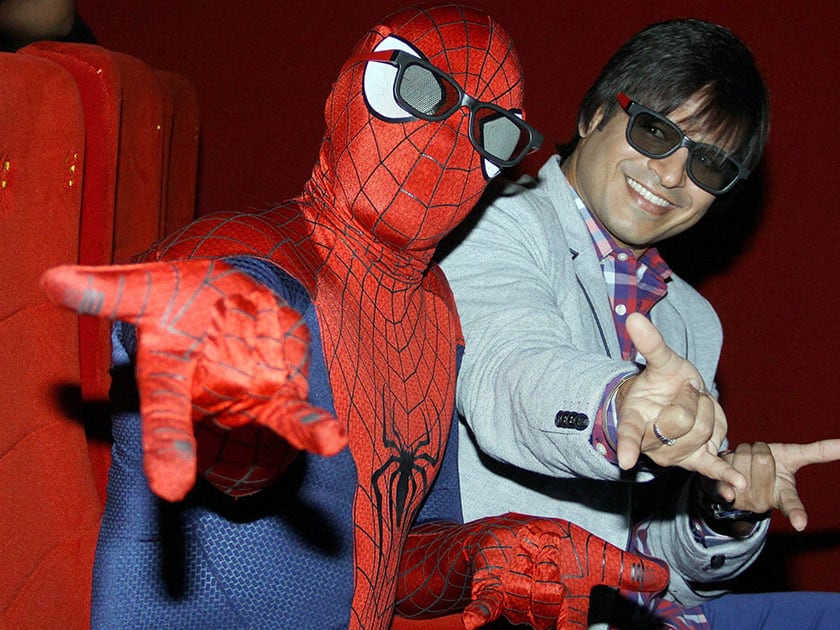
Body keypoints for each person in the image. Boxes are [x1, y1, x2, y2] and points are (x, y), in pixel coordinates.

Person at [40, 5, 669, 629]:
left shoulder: (435, 313)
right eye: (421, 91)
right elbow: (206, 345)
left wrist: (481, 553)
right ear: (350, 86)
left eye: (491, 131)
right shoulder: (247, 255)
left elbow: (395, 559)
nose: (450, 141)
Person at [438, 18, 840, 628]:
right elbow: (508, 372)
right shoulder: (495, 223)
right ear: (593, 117)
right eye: (655, 131)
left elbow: (670, 569)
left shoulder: (691, 320)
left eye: (709, 165)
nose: (673, 176)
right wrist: (618, 405)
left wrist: (723, 511)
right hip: (529, 607)